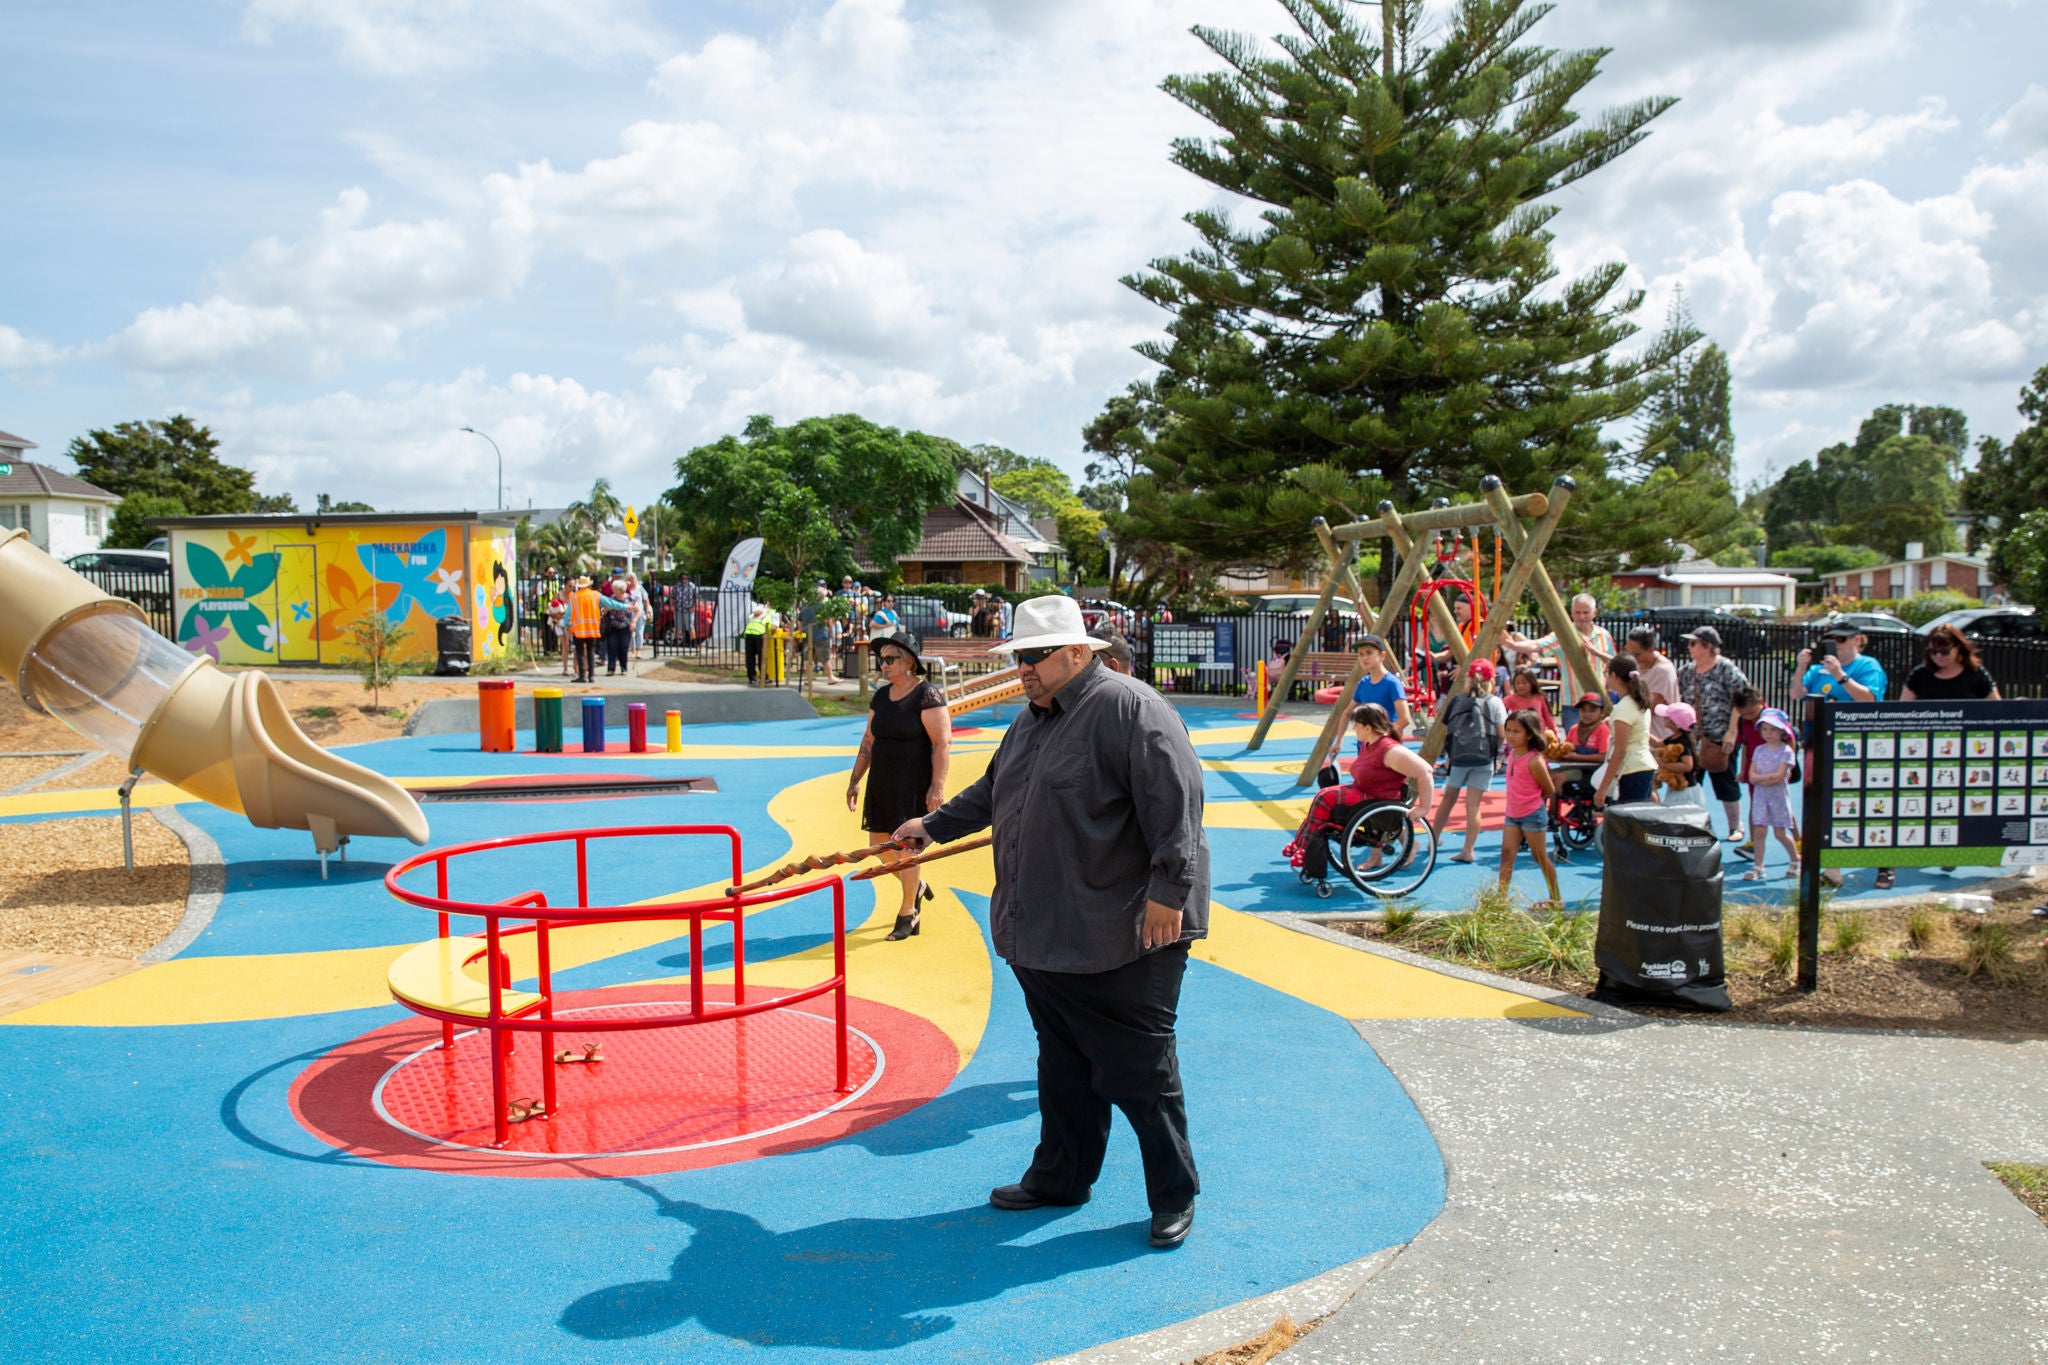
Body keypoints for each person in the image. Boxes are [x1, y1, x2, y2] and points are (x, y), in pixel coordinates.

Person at [892, 596, 1209, 1250]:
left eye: (1034, 657)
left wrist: (1168, 892)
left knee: (1141, 1069)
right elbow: (993, 789)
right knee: (1063, 1064)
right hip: (1047, 928)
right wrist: (932, 825)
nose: (1024, 669)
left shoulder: (1130, 708)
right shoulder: (1031, 719)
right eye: (1019, 658)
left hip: (1124, 930)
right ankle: (1062, 1174)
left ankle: (1174, 1192)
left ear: (1076, 651)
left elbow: (1177, 801)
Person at [846, 630, 952, 939]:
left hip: (912, 783)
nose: (883, 665)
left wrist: (937, 788)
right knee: (879, 846)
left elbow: (942, 744)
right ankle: (915, 885)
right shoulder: (881, 696)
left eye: (890, 659)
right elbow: (868, 741)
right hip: (882, 781)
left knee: (907, 850)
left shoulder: (926, 695)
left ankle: (908, 912)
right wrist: (855, 780)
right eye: (881, 660)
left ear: (908, 662)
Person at [1792, 626, 1890, 886]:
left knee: (1870, 808)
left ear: (1857, 640)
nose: (1836, 645)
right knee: (1826, 806)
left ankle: (1885, 865)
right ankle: (1832, 869)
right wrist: (1801, 669)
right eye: (1831, 640)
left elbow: (1869, 699)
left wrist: (1840, 675)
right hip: (1822, 746)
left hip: (1859, 747)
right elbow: (1796, 694)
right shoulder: (1817, 670)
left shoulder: (1868, 666)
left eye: (1841, 640)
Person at [1294, 703, 1434, 881]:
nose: (1354, 728)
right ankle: (1300, 843)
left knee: (1325, 798)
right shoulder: (1368, 745)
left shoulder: (1390, 750)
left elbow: (1426, 771)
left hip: (1377, 799)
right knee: (1323, 795)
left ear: (1368, 728)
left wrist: (1423, 807)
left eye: (1357, 725)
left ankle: (1306, 848)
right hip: (1365, 792)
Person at [1678, 626, 1751, 841]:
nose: (1689, 647)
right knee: (1691, 781)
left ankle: (1735, 826)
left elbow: (1741, 699)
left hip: (1720, 735)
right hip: (1695, 737)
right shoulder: (1685, 672)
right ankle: (1692, 824)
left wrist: (1732, 731)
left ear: (1708, 647)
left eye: (1694, 643)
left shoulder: (1725, 668)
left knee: (1725, 779)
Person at [1429, 659, 1504, 864]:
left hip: (1459, 757)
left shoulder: (1457, 700)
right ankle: (1468, 849)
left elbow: (1447, 728)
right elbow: (1501, 733)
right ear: (1491, 680)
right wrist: (1499, 754)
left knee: (1448, 799)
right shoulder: (1494, 702)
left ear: (1468, 678)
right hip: (1483, 757)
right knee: (1473, 805)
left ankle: (1433, 839)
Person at [1497, 710, 1561, 906]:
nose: (1510, 735)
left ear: (1529, 734)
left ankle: (1556, 898)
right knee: (1507, 854)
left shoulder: (1534, 760)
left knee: (1539, 855)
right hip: (1513, 813)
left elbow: (1549, 788)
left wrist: (1534, 803)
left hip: (1532, 813)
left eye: (1516, 731)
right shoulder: (1513, 754)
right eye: (1508, 730)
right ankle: (1500, 900)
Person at [1741, 708, 1800, 881]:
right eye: (1765, 729)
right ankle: (1758, 866)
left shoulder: (1786, 751)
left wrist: (1763, 778)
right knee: (1759, 831)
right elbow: (1751, 776)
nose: (1768, 733)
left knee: (1780, 833)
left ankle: (1795, 860)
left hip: (1778, 797)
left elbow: (1779, 776)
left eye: (1773, 729)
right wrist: (1765, 778)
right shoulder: (1759, 750)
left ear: (1782, 731)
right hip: (1761, 797)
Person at [1593, 654, 1658, 807]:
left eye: (1606, 673)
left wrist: (1603, 789)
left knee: (1627, 824)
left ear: (1614, 675)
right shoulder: (1638, 700)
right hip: (1641, 765)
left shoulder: (1624, 707)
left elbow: (1620, 750)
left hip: (1631, 770)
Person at [1901, 624, 2001, 702]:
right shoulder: (1919, 675)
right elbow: (1903, 708)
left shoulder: (1975, 672)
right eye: (1933, 652)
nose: (1938, 656)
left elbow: (1996, 705)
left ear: (1958, 648)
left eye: (1944, 652)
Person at [1348, 633, 1413, 738]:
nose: (1364, 658)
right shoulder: (1363, 682)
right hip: (1366, 744)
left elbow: (1405, 718)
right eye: (1361, 654)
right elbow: (1347, 712)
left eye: (1369, 653)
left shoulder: (1392, 683)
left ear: (1382, 655)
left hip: (1384, 744)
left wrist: (1382, 736)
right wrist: (1339, 741)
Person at [1624, 627, 1680, 740]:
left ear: (1650, 649)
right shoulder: (1635, 665)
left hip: (1659, 738)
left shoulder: (1663, 670)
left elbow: (1649, 705)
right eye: (1628, 651)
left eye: (1636, 654)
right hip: (1639, 736)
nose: (1631, 657)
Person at [1653, 701, 1703, 808]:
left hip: (1685, 791)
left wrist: (1663, 764)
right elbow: (1657, 743)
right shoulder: (1673, 738)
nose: (1663, 718)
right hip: (1676, 789)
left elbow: (1687, 766)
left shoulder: (1683, 742)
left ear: (1674, 723)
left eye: (1666, 717)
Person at [566, 575, 604, 684]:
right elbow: (610, 603)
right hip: (592, 628)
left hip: (579, 629)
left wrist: (566, 625)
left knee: (580, 652)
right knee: (590, 651)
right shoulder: (595, 595)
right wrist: (625, 606)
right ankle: (591, 675)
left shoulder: (574, 597)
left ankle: (582, 675)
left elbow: (568, 613)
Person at [599, 575, 633, 676]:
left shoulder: (629, 598)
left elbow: (637, 610)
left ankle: (624, 668)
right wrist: (606, 609)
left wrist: (634, 621)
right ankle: (611, 668)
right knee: (612, 646)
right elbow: (603, 611)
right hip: (612, 625)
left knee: (623, 647)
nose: (614, 591)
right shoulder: (610, 599)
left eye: (616, 589)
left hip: (625, 626)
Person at [1504, 667, 1555, 734]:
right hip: (1520, 737)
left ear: (1531, 683)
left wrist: (1555, 733)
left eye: (1524, 683)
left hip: (1538, 735)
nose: (1521, 686)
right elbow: (1499, 707)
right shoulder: (1512, 699)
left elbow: (1548, 718)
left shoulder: (1539, 698)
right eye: (1518, 683)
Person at [1565, 692, 1610, 758]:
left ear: (1602, 712)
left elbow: (1603, 756)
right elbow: (1565, 749)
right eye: (1583, 710)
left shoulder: (1603, 730)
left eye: (1592, 710)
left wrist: (1578, 757)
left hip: (1595, 768)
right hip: (1573, 766)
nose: (1587, 714)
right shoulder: (1574, 729)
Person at [741, 601, 774, 685]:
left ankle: (751, 677)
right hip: (760, 634)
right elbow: (773, 628)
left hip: (749, 633)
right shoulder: (771, 613)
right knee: (762, 657)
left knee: (750, 657)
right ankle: (763, 677)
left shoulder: (756, 612)